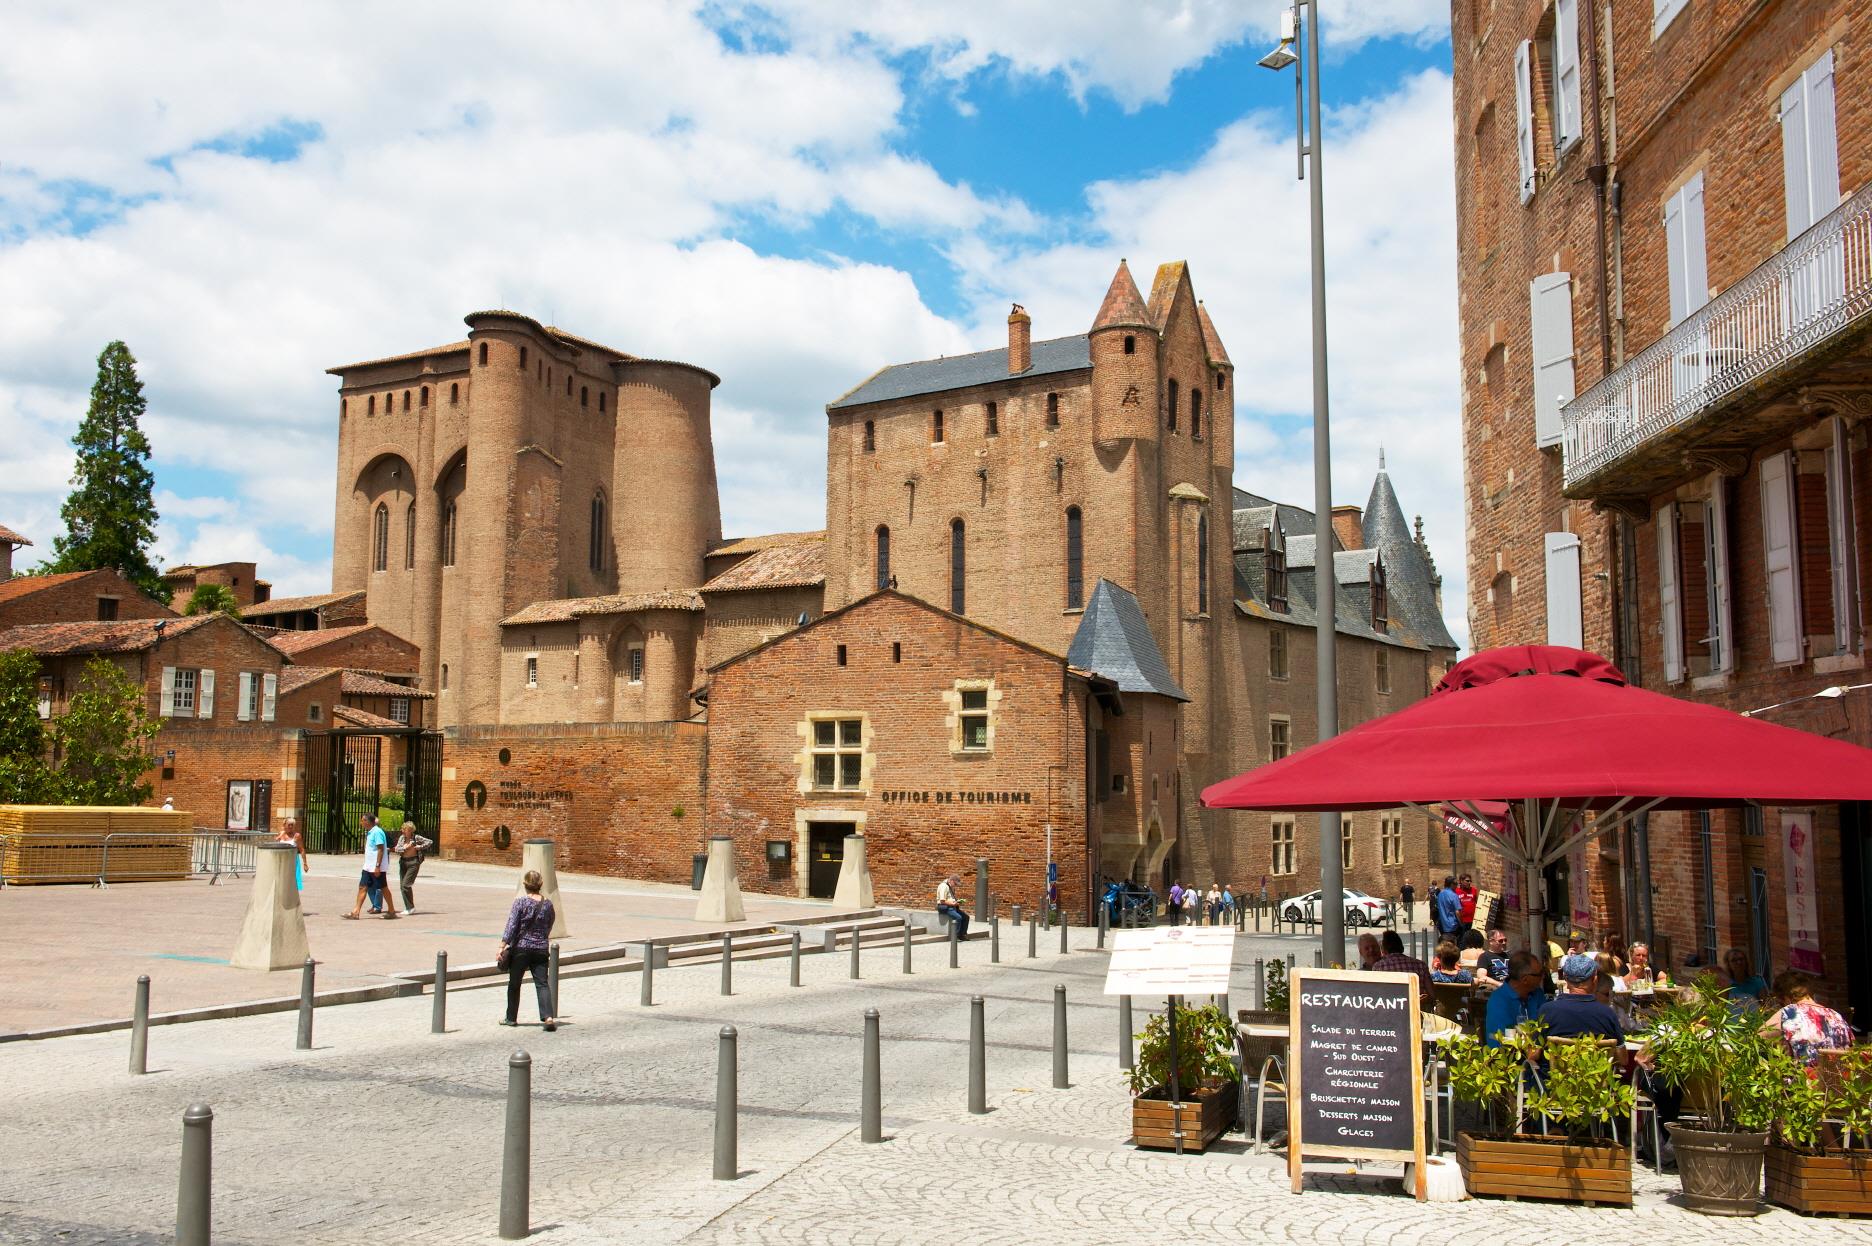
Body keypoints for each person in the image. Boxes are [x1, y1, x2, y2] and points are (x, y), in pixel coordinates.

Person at [499, 869, 556, 1031]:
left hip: (521, 949)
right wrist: (542, 937)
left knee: (514, 983)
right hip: (541, 949)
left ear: (525, 885)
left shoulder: (520, 903)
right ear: (540, 885)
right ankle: (548, 1017)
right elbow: (550, 923)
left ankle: (511, 1018)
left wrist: (502, 946)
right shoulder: (547, 904)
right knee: (542, 984)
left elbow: (511, 926)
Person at [1763, 970, 1852, 1065]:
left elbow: (1758, 1038)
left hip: (1805, 1078)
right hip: (1838, 1077)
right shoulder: (1836, 1015)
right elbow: (1851, 1050)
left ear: (1785, 998)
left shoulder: (1789, 1013)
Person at [1539, 953, 1624, 1040]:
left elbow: (1535, 1051)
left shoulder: (1547, 1011)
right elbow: (1621, 1052)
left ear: (1565, 978)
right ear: (1594, 979)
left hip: (1558, 1054)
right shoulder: (1607, 1014)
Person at [1484, 951, 1548, 1046]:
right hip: (1511, 1057)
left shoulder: (1537, 993)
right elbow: (1499, 1040)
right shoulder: (1499, 1001)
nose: (1543, 976)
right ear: (1525, 979)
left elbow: (1547, 1026)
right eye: (1540, 974)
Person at [344, 814, 397, 919]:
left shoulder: (377, 832)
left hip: (376, 867)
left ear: (369, 821)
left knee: (383, 888)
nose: (361, 822)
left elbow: (381, 849)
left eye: (363, 820)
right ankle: (356, 912)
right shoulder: (370, 832)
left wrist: (377, 866)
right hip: (368, 867)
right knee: (362, 887)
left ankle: (391, 911)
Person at [1372, 929, 1433, 996]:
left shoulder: (1379, 966)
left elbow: (1376, 993)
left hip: (1391, 1004)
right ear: (1401, 947)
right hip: (1417, 1005)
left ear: (1384, 949)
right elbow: (1432, 994)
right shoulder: (1421, 965)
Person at [393, 816, 434, 914]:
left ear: (410, 830)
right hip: (403, 862)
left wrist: (419, 847)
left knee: (405, 885)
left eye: (405, 829)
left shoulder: (416, 837)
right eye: (402, 829)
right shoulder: (402, 838)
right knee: (402, 886)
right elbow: (397, 849)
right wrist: (405, 847)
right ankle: (409, 907)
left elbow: (430, 842)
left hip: (413, 863)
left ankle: (410, 907)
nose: (403, 831)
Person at [276, 817, 307, 891]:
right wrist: (278, 838)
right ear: (285, 825)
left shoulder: (297, 835)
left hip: (292, 860)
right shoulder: (281, 834)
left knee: (293, 880)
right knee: (281, 879)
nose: (290, 827)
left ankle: (292, 896)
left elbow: (302, 849)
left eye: (292, 825)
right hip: (282, 860)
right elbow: (275, 846)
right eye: (289, 825)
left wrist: (305, 863)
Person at [935, 874, 970, 939]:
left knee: (966, 917)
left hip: (952, 906)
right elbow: (942, 901)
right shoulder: (944, 886)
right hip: (945, 907)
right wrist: (953, 904)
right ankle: (955, 936)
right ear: (951, 880)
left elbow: (950, 898)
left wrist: (957, 902)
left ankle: (962, 935)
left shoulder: (950, 886)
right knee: (958, 917)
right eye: (955, 884)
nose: (956, 885)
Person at [1433, 875, 1461, 940]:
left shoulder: (1440, 894)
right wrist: (1461, 923)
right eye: (1455, 883)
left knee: (1445, 945)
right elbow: (1457, 912)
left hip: (1442, 925)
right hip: (1453, 925)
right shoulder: (1454, 895)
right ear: (1451, 884)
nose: (1457, 885)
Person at [1455, 873, 1478, 937]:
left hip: (1473, 921)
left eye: (1470, 881)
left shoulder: (1474, 890)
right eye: (1467, 881)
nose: (1469, 882)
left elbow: (1478, 903)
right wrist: (1460, 922)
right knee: (1463, 940)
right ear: (1461, 881)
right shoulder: (1456, 891)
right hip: (1462, 921)